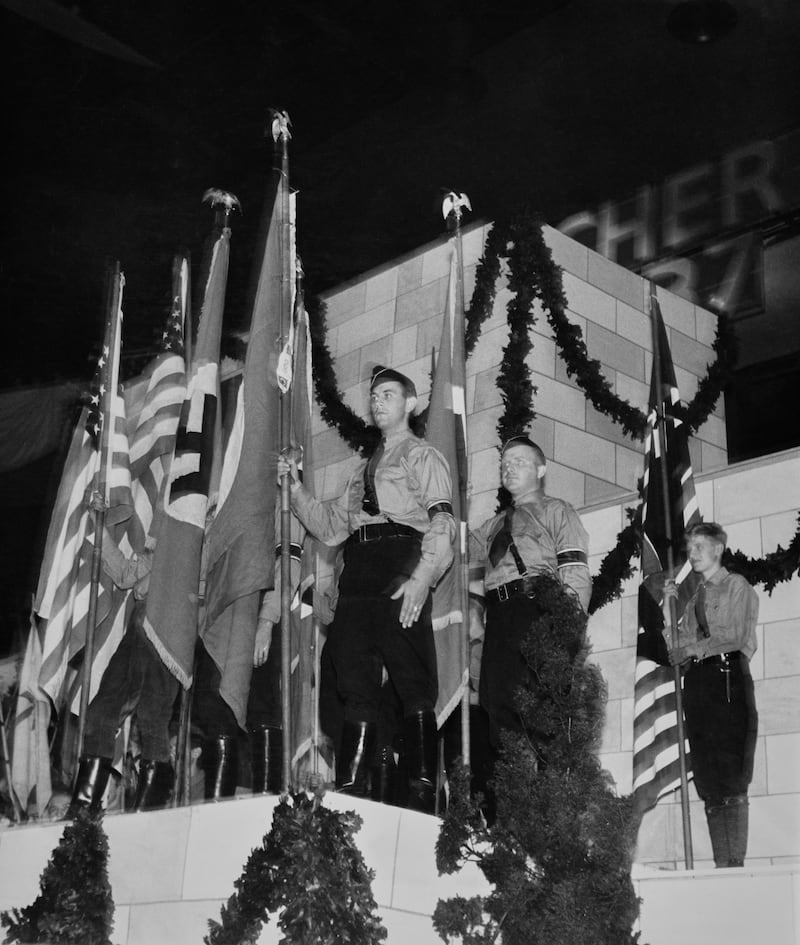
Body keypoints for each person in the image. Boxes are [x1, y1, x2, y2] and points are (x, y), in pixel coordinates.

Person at [277, 365, 455, 812]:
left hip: (401, 561)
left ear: (410, 404)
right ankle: (352, 792)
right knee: (353, 680)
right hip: (358, 569)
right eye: (374, 396)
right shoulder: (360, 469)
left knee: (412, 679)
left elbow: (442, 521)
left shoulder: (423, 455)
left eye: (389, 395)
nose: (378, 402)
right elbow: (330, 526)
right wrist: (294, 489)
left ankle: (420, 791)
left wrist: (422, 577)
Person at [469, 436, 591, 753]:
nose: (509, 468)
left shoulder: (556, 511)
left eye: (519, 461)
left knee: (540, 712)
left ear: (541, 469)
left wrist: (566, 630)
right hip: (499, 620)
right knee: (497, 705)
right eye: (505, 464)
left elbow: (574, 571)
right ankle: (513, 795)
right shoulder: (491, 527)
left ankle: (544, 798)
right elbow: (454, 554)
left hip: (536, 610)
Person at [662, 521, 759, 868]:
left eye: (700, 547)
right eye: (690, 548)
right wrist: (668, 608)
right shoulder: (692, 601)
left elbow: (734, 635)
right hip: (700, 686)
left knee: (732, 778)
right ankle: (723, 866)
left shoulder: (737, 586)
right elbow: (675, 647)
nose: (693, 554)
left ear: (718, 548)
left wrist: (690, 649)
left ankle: (734, 866)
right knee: (709, 780)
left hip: (727, 681)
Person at [68, 522, 178, 816]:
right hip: (140, 624)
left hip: (170, 626)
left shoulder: (199, 529)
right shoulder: (169, 526)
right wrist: (101, 532)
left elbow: (202, 578)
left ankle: (150, 809)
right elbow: (127, 575)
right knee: (101, 711)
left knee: (153, 717)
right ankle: (83, 807)